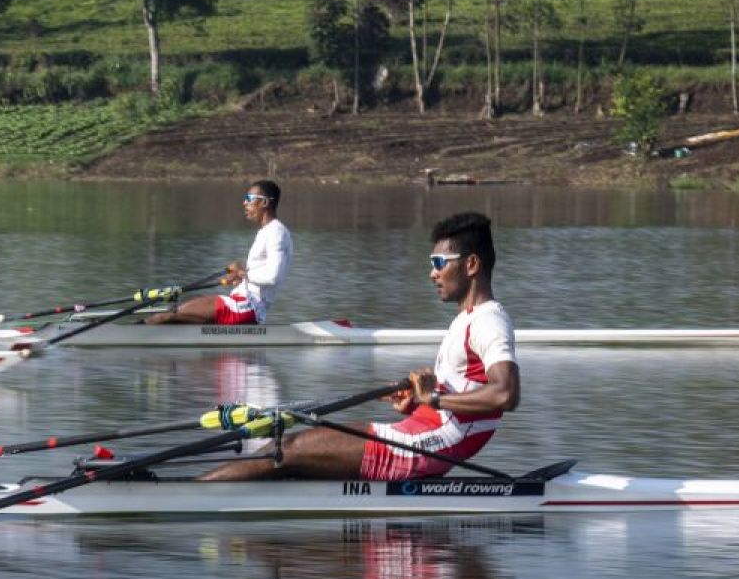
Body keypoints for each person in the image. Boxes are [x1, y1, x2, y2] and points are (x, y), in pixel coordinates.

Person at [199, 211, 519, 481]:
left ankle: (190, 493)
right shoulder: (467, 319)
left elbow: (505, 394)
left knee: (289, 449)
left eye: (439, 262)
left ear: (471, 264)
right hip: (419, 434)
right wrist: (417, 403)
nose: (432, 273)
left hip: (426, 446)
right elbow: (459, 401)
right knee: (286, 451)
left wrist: (432, 399)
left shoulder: (488, 321)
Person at [146, 179, 292, 325]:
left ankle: (132, 335)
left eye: (249, 199)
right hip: (243, 305)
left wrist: (242, 274)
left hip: (246, 307)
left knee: (165, 316)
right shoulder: (269, 231)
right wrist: (242, 273)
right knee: (177, 312)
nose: (244, 203)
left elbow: (272, 276)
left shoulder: (276, 232)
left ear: (264, 203)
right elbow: (261, 275)